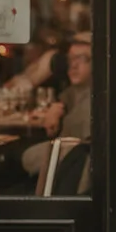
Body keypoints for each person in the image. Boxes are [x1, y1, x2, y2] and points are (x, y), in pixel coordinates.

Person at [21, 33, 92, 178]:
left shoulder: (93, 103)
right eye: (70, 59)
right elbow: (69, 94)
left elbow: (82, 153)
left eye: (82, 58)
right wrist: (59, 106)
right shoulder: (77, 92)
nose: (73, 65)